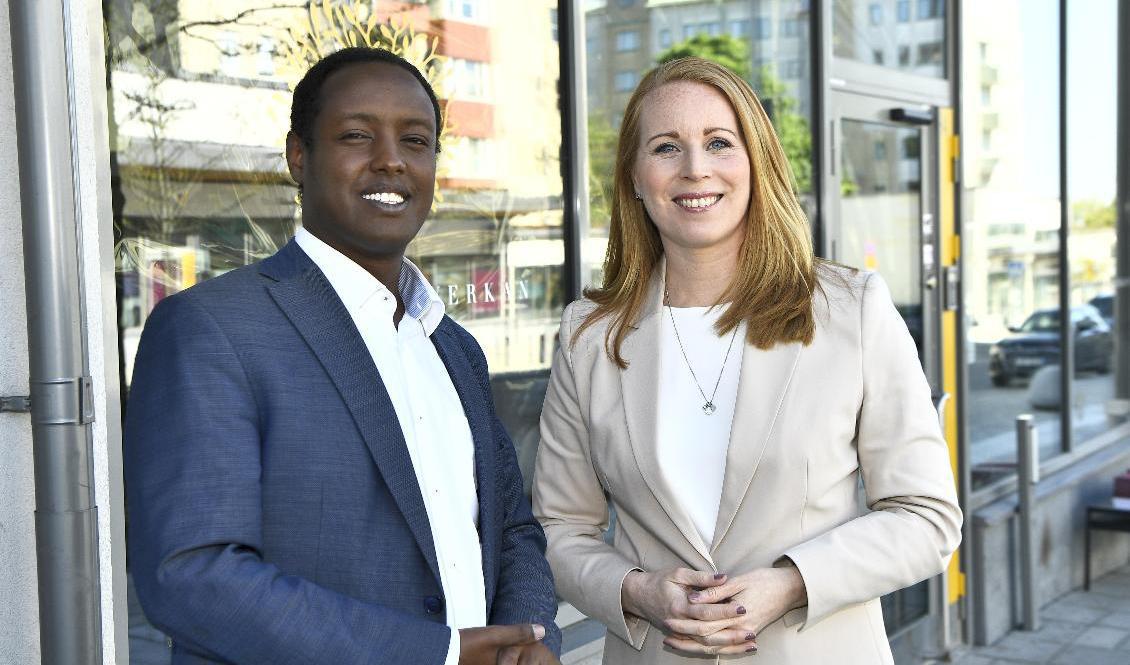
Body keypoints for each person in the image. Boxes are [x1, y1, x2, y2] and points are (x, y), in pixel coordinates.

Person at [125, 47, 560, 665]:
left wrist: (528, 638)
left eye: (416, 140)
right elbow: (192, 575)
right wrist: (433, 654)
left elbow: (512, 529)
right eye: (357, 135)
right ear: (298, 157)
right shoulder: (211, 328)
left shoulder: (454, 348)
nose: (391, 160)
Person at [532, 56, 962, 664]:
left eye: (718, 142)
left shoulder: (850, 310)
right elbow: (558, 530)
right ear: (634, 175)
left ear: (756, 162)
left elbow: (926, 518)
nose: (695, 169)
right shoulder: (589, 336)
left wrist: (792, 582)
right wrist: (635, 591)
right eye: (665, 147)